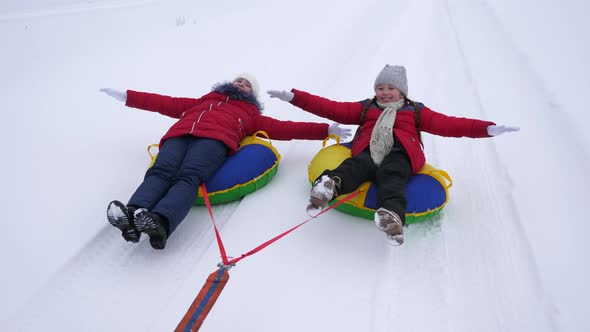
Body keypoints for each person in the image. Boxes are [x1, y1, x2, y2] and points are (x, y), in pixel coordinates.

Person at [267, 65, 519, 245]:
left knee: (393, 177)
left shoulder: (416, 112)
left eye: (390, 88)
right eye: (380, 87)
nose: (384, 92)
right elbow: (332, 107)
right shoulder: (367, 108)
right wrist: (295, 97)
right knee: (357, 165)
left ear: (402, 91)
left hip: (401, 153)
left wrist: (485, 128)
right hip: (369, 150)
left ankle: (391, 217)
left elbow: (450, 124)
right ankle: (328, 187)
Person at [101, 73, 351, 249]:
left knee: (188, 178)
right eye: (238, 80)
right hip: (178, 137)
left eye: (247, 84)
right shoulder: (203, 101)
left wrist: (326, 129)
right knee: (159, 172)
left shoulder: (251, 115)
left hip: (214, 143)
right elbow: (163, 102)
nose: (241, 83)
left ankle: (161, 222)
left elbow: (287, 128)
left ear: (252, 93)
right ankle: (133, 215)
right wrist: (128, 97)